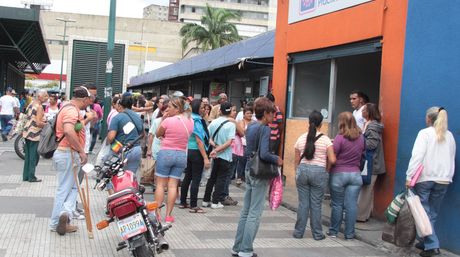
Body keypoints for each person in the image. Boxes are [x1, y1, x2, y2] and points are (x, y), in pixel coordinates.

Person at [232, 97, 283, 257]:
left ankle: (237, 247)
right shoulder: (265, 128)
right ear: (266, 113)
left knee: (246, 211)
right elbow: (265, 153)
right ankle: (246, 250)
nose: (273, 117)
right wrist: (277, 159)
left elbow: (249, 151)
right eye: (272, 114)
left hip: (249, 169)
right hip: (259, 173)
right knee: (255, 212)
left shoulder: (251, 126)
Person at [406, 107, 455, 257]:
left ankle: (432, 245)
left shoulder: (425, 133)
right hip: (444, 179)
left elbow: (417, 156)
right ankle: (425, 241)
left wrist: (409, 176)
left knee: (422, 212)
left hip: (425, 178)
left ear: (429, 118)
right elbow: (451, 157)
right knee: (431, 212)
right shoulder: (450, 135)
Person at [49, 86, 91, 236]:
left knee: (73, 188)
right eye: (88, 99)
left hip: (67, 153)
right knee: (65, 189)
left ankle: (65, 214)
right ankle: (56, 222)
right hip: (68, 153)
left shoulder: (67, 107)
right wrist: (81, 150)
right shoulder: (71, 110)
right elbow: (68, 130)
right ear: (84, 99)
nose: (88, 103)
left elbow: (75, 128)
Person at [293, 110, 336, 240]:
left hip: (303, 171)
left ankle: (298, 232)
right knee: (316, 204)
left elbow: (296, 161)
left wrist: (297, 173)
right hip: (319, 172)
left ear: (308, 122)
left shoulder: (300, 138)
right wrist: (326, 170)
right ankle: (317, 234)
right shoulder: (326, 139)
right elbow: (332, 159)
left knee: (303, 204)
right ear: (321, 124)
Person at [154, 96, 193, 223]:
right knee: (172, 186)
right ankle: (169, 215)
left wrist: (163, 119)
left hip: (166, 153)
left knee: (160, 185)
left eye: (170, 107)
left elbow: (158, 134)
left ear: (177, 109)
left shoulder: (168, 121)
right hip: (181, 155)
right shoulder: (190, 121)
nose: (167, 109)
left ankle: (158, 213)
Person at [328, 112, 364, 239]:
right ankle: (349, 234)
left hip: (339, 174)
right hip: (355, 174)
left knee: (337, 204)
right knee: (352, 205)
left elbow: (334, 155)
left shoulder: (340, 137)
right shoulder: (361, 137)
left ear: (342, 122)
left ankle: (333, 231)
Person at [106, 93, 144, 190]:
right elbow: (143, 134)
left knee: (109, 176)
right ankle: (128, 200)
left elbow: (111, 137)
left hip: (121, 151)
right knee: (129, 178)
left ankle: (115, 201)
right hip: (136, 150)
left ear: (119, 105)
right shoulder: (137, 116)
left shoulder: (117, 117)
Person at [202, 102, 236, 209]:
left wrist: (215, 147)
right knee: (221, 179)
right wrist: (218, 149)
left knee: (212, 177)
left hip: (215, 156)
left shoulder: (214, 122)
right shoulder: (231, 125)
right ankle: (215, 202)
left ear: (220, 111)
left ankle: (205, 200)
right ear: (230, 112)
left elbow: (208, 138)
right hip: (225, 156)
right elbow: (229, 142)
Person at [179, 99, 211, 213]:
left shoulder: (187, 118)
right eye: (202, 107)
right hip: (196, 152)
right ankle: (193, 205)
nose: (204, 110)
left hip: (188, 151)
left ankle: (183, 202)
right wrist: (205, 158)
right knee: (196, 178)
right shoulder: (196, 120)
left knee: (188, 176)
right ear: (197, 107)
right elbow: (199, 141)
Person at [357, 103, 386, 222]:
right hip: (370, 163)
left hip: (371, 163)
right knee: (368, 190)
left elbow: (371, 144)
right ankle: (365, 215)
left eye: (364, 110)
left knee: (365, 190)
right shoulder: (368, 124)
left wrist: (358, 142)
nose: (362, 112)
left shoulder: (373, 126)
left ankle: (360, 216)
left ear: (368, 113)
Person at [22, 89, 48, 183]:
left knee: (28, 156)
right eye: (45, 95)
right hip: (35, 134)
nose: (47, 97)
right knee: (34, 156)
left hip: (27, 132)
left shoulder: (31, 103)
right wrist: (47, 124)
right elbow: (38, 123)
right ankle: (31, 176)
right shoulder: (39, 106)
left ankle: (26, 176)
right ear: (39, 96)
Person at [235, 106, 254, 185]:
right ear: (244, 114)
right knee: (242, 161)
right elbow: (242, 132)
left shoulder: (253, 122)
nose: (249, 115)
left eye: (251, 113)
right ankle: (239, 177)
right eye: (248, 113)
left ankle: (246, 177)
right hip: (243, 143)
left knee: (249, 161)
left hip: (251, 144)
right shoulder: (241, 122)